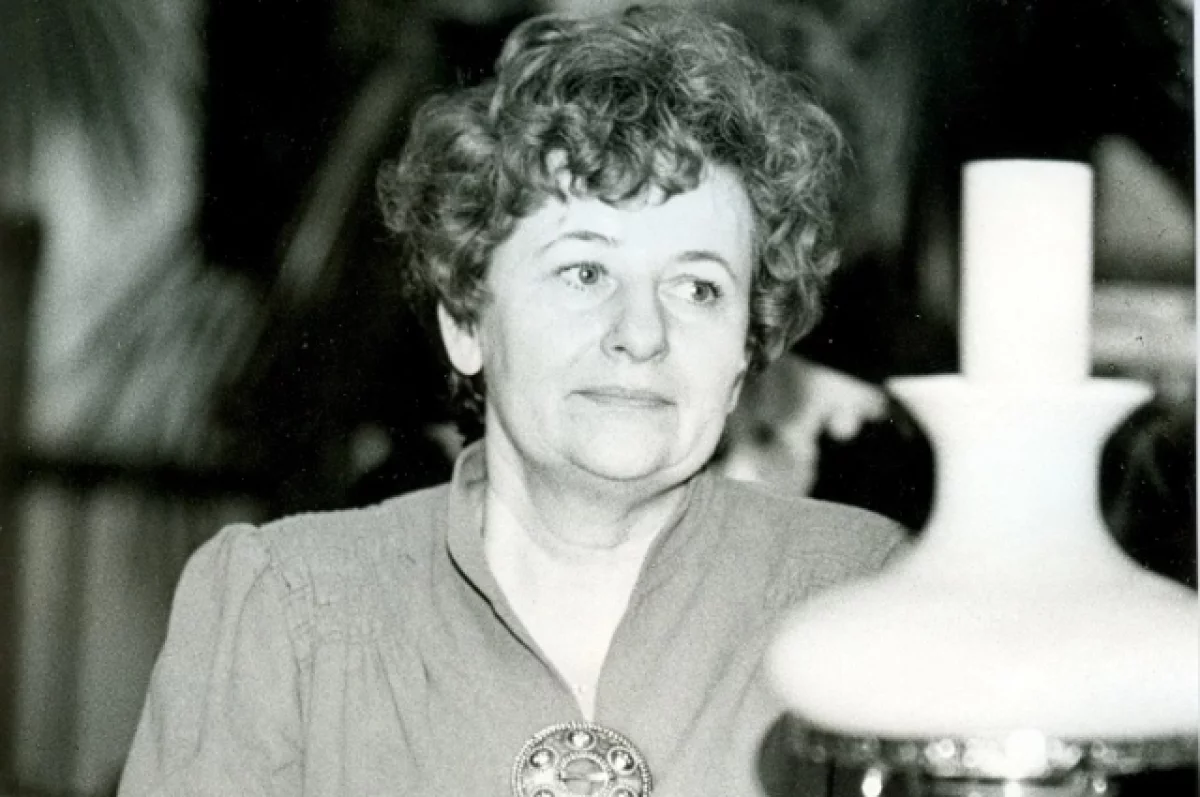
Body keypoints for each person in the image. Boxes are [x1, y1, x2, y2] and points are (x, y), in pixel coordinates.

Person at [118, 7, 907, 796]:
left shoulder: (867, 593)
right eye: (584, 272)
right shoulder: (282, 610)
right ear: (466, 321)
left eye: (698, 287)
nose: (641, 333)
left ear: (743, 355)